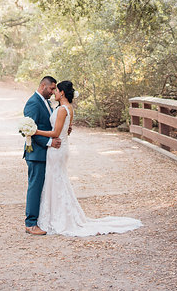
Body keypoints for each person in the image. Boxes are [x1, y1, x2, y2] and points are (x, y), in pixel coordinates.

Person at [34, 80, 143, 236]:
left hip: (56, 149)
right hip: (62, 148)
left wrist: (35, 131)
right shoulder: (68, 108)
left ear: (62, 93)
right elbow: (68, 130)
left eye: (56, 90)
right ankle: (57, 214)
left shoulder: (62, 110)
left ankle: (59, 217)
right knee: (58, 180)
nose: (54, 93)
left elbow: (55, 133)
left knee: (56, 180)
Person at [22, 76, 59, 235]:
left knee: (43, 188)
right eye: (51, 89)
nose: (52, 92)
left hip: (45, 154)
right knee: (35, 188)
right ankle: (30, 224)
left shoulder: (46, 102)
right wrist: (50, 142)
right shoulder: (33, 103)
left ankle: (41, 220)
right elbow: (30, 130)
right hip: (36, 154)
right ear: (43, 85)